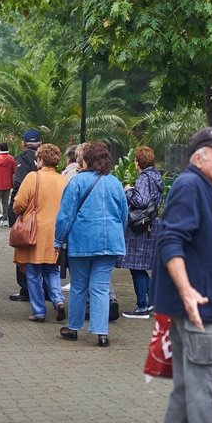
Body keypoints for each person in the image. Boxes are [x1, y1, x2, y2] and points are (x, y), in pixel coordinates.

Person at [151, 126, 212, 423]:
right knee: (207, 392)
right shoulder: (191, 186)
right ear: (198, 158)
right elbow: (170, 240)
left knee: (188, 389)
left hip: (193, 304)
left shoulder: (202, 186)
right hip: (198, 306)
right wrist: (187, 291)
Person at [54, 141, 127, 348]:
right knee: (101, 288)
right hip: (110, 241)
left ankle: (74, 327)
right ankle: (101, 333)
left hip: (83, 240)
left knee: (78, 286)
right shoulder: (115, 183)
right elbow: (124, 215)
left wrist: (58, 240)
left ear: (86, 160)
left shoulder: (77, 182)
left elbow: (66, 215)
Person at [13, 143, 67, 322]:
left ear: (41, 160)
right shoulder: (63, 180)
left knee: (34, 272)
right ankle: (58, 300)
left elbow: (19, 203)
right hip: (55, 232)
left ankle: (39, 311)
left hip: (35, 232)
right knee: (52, 269)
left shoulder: (32, 177)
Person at [117, 146, 164, 319]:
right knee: (140, 266)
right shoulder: (156, 176)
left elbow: (141, 200)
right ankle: (153, 300)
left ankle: (142, 306)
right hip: (150, 225)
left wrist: (128, 190)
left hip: (141, 228)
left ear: (138, 161)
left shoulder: (144, 178)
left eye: (136, 160)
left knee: (136, 266)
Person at [9, 128, 42, 301]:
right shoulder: (47, 160)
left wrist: (16, 209)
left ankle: (26, 289)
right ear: (40, 144)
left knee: (23, 250)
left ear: (23, 144)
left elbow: (18, 184)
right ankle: (45, 290)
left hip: (27, 213)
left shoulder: (22, 159)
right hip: (45, 213)